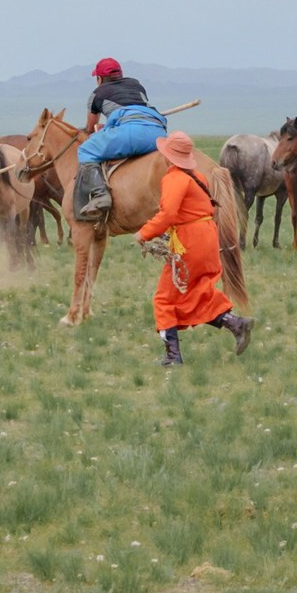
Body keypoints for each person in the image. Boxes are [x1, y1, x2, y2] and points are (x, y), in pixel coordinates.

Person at [135, 130, 254, 365]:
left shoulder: (173, 178)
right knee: (197, 292)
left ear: (169, 156)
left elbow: (168, 214)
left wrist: (144, 233)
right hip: (208, 238)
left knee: (164, 299)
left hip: (189, 242)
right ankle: (235, 324)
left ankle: (173, 356)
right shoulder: (198, 176)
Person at [74, 57, 166, 221]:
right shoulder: (136, 84)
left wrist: (101, 129)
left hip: (130, 132)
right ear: (121, 74)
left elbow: (90, 128)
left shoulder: (97, 94)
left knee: (86, 150)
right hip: (157, 131)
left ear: (99, 79)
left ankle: (100, 195)